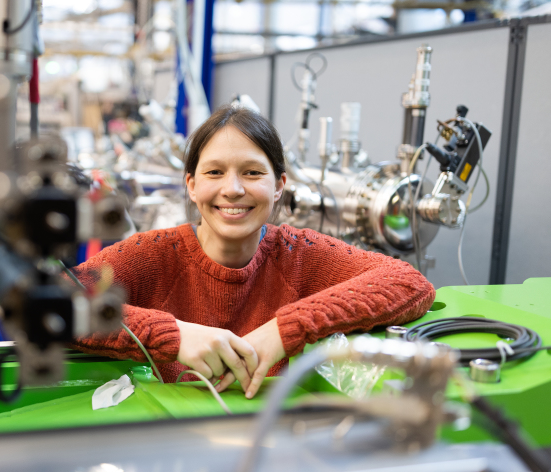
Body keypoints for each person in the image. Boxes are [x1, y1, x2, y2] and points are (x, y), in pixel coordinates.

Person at [70, 105, 435, 399]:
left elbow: (407, 282)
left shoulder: (299, 254)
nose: (232, 189)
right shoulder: (152, 255)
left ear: (278, 186)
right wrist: (172, 335)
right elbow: (54, 301)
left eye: (251, 173)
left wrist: (286, 328)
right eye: (214, 172)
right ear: (192, 186)